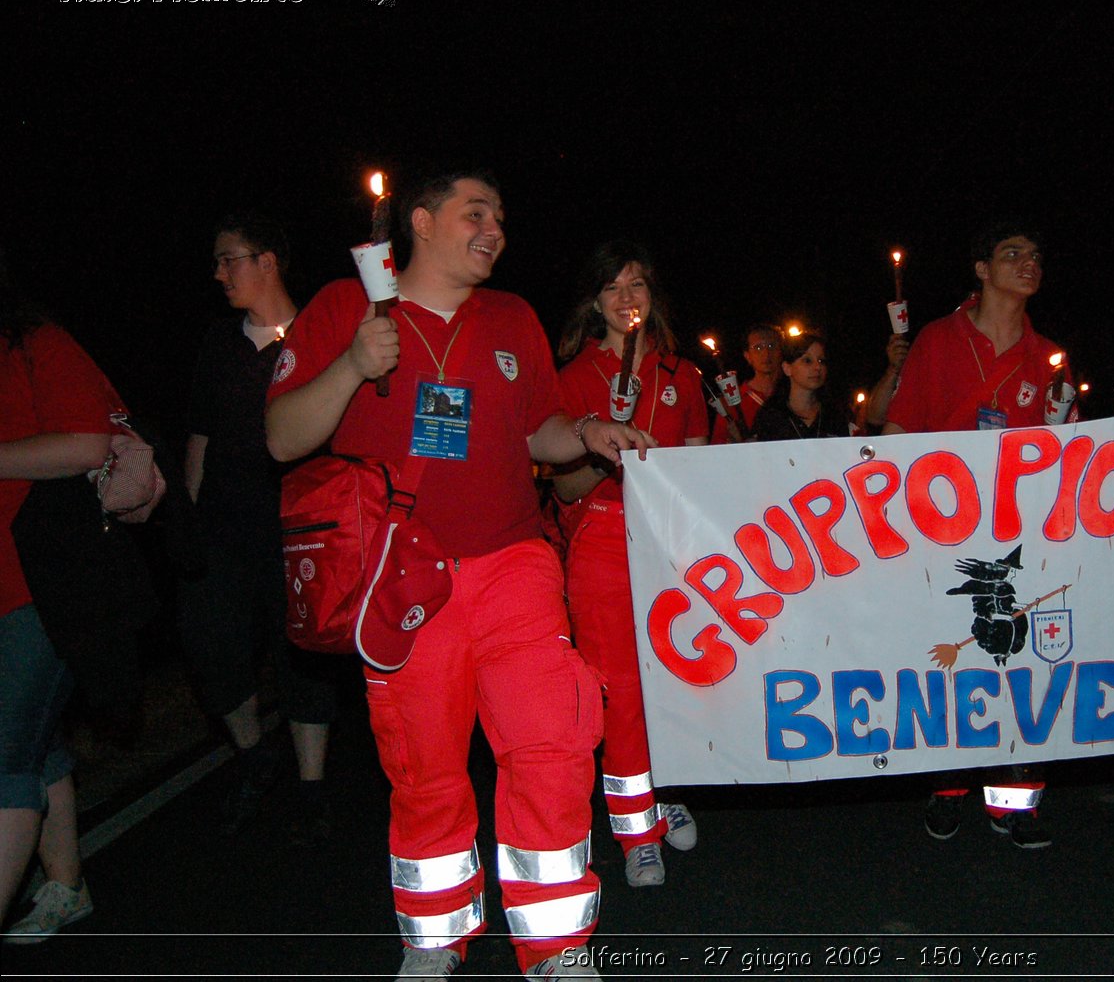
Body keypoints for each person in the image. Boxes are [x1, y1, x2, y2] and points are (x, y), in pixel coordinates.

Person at [265, 171, 655, 980]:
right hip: (403, 578)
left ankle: (556, 946)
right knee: (425, 763)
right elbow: (279, 439)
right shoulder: (348, 306)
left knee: (552, 740)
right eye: (475, 213)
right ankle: (435, 937)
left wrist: (586, 431)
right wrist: (348, 366)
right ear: (419, 221)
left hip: (516, 560)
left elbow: (536, 433)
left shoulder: (512, 318)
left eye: (502, 217)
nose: (495, 229)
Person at [881, 220, 1077, 850]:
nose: (1028, 263)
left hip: (1022, 534)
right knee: (952, 654)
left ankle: (1016, 798)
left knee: (1017, 657)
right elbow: (899, 433)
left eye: (1036, 255)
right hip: (945, 531)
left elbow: (1069, 450)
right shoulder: (940, 340)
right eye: (1012, 254)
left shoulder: (1049, 356)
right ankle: (947, 786)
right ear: (982, 270)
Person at [181, 214, 342, 843]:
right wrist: (190, 519)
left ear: (267, 261)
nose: (219, 273)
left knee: (300, 655)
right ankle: (255, 756)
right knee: (209, 646)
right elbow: (200, 435)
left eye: (230, 259)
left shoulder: (316, 336)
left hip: (297, 529)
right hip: (222, 530)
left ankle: (310, 786)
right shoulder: (219, 345)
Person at [551, 241, 705, 889]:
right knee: (620, 684)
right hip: (602, 544)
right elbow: (561, 490)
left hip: (669, 546)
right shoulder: (571, 376)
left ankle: (667, 788)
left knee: (674, 675)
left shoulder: (683, 377)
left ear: (652, 297)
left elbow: (699, 471)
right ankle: (635, 825)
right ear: (594, 302)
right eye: (612, 287)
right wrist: (600, 439)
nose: (625, 298)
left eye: (636, 285)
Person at [0, 261, 115, 944]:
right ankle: (65, 885)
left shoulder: (40, 343)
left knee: (4, 756)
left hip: (41, 587)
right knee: (35, 745)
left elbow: (87, 442)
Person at [750, 331, 854, 440]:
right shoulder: (771, 416)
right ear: (787, 368)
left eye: (821, 361)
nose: (817, 367)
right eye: (807, 361)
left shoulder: (834, 414)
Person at [709, 323, 782, 443]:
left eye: (771, 346)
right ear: (748, 356)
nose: (766, 353)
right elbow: (718, 448)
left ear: (781, 351)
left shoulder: (792, 395)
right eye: (758, 348)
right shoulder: (732, 402)